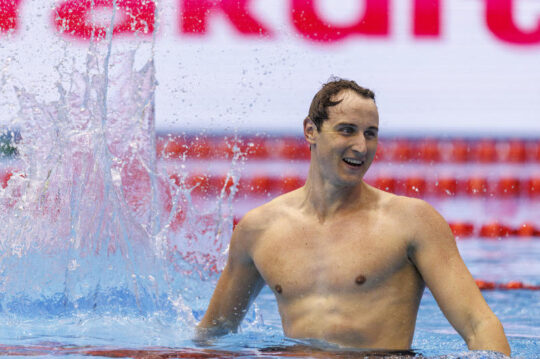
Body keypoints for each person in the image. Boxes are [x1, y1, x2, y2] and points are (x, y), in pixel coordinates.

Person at [195, 78, 511, 356]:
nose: (361, 146)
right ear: (310, 131)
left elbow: (477, 323)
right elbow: (214, 334)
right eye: (347, 130)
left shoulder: (411, 222)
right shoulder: (258, 229)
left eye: (371, 134)